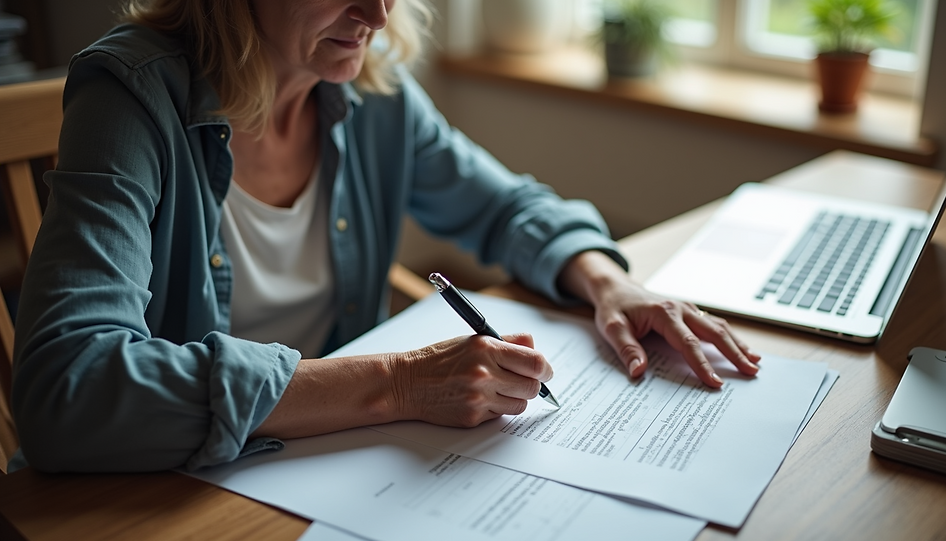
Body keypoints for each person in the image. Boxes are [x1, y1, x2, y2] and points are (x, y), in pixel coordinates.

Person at [10, 0, 760, 473]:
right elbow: (68, 390)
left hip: (331, 469)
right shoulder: (131, 96)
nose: (378, 10)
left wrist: (609, 282)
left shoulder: (374, 91)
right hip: (164, 496)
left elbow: (506, 209)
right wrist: (397, 383)